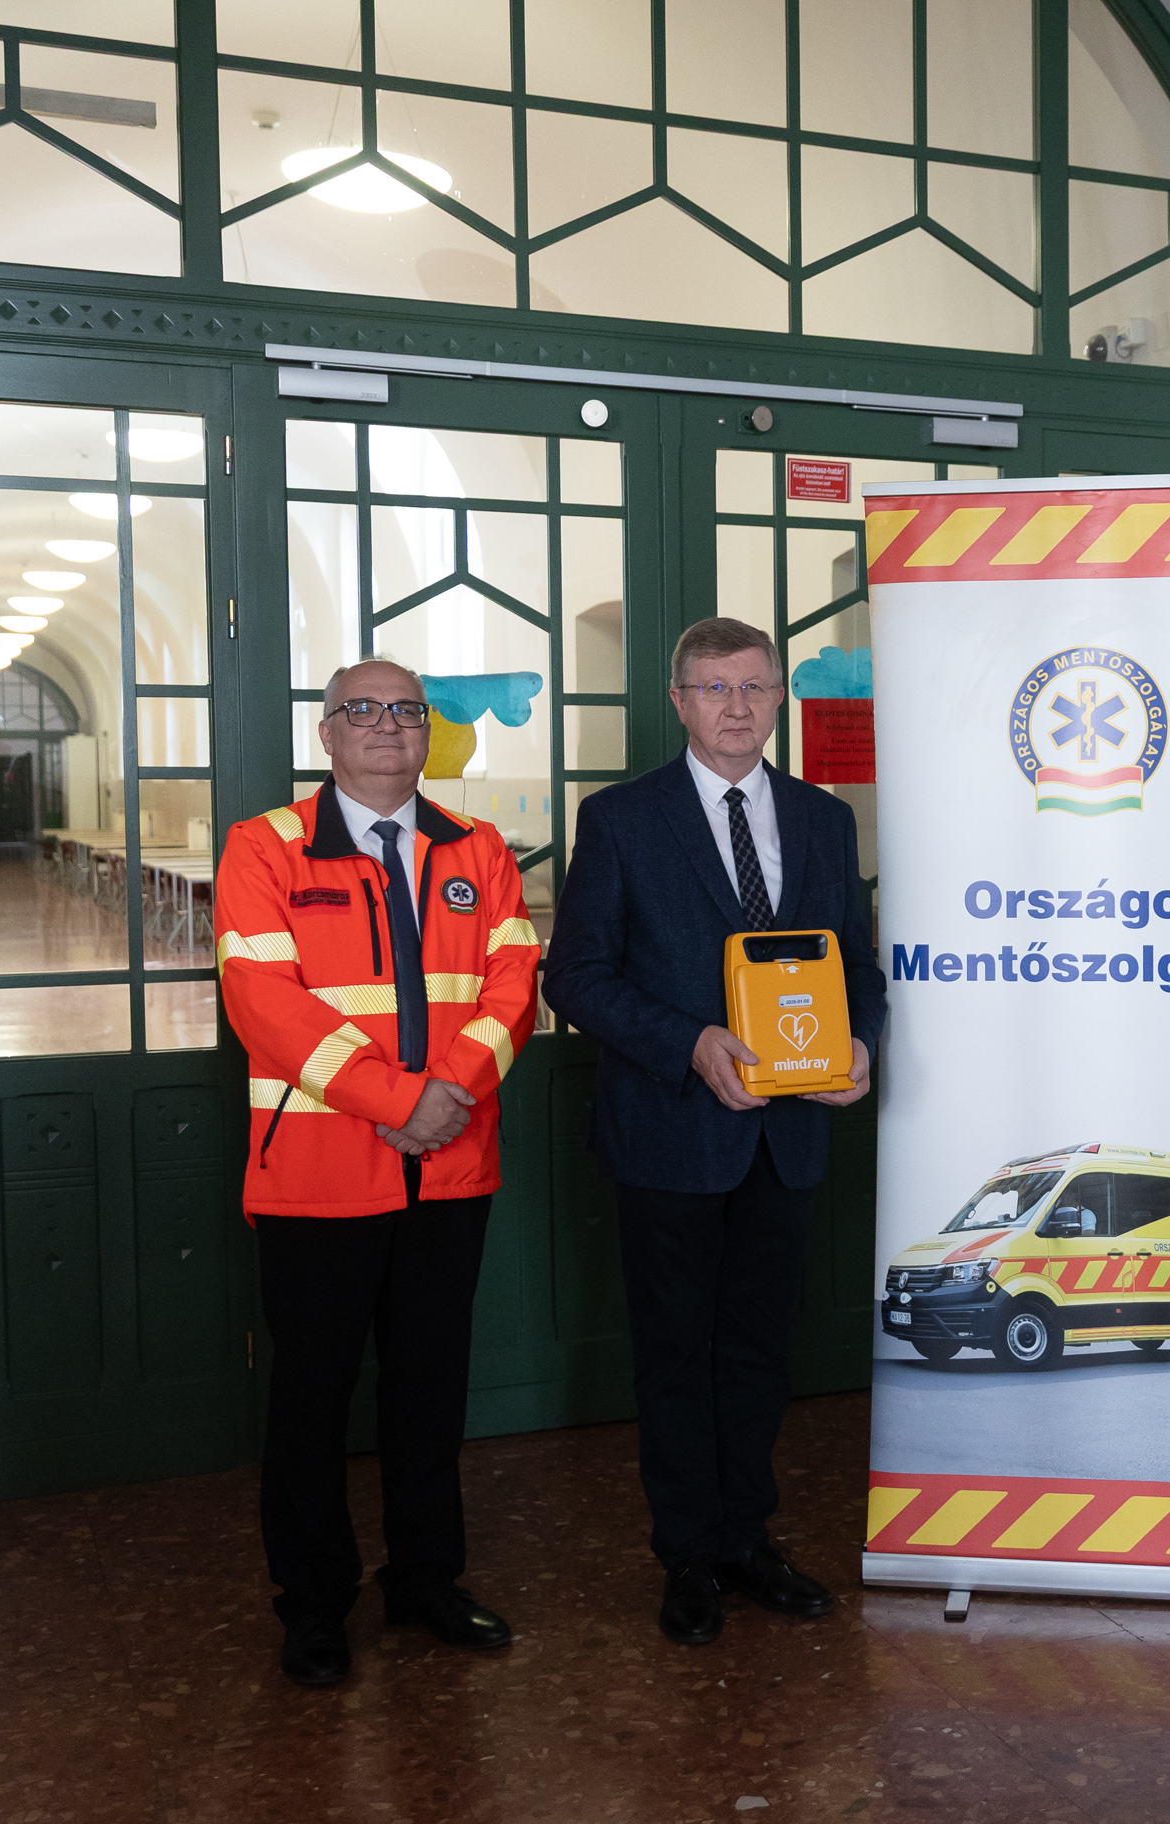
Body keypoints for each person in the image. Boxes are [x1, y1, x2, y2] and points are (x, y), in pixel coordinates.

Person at [542, 617, 887, 1647]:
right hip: (671, 1129)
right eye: (713, 687)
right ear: (679, 701)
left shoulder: (824, 820)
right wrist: (688, 1043)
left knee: (756, 1352)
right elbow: (575, 978)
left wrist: (860, 1041)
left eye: (753, 686)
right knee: (674, 1353)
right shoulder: (621, 818)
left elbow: (855, 966)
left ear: (778, 697)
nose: (736, 706)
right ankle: (688, 1553)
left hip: (789, 1134)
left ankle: (746, 1540)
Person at [212, 657, 541, 1689]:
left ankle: (425, 1581)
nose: (387, 726)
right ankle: (313, 1605)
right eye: (362, 709)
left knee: (429, 1391)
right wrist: (400, 1101)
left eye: (405, 710)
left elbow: (513, 984)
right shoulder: (263, 846)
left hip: (448, 1172)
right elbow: (263, 1001)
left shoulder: (478, 848)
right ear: (327, 733)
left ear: (426, 732)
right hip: (317, 1175)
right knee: (311, 1400)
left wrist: (446, 1093)